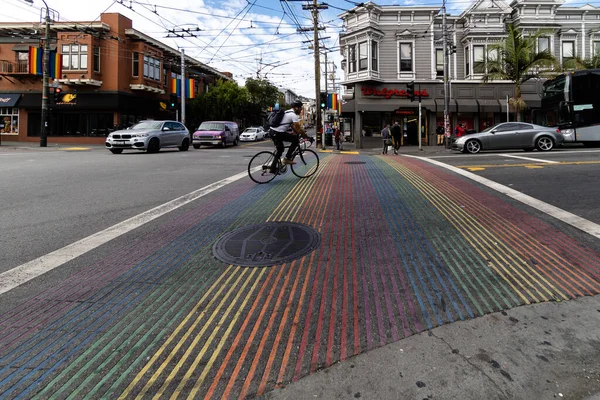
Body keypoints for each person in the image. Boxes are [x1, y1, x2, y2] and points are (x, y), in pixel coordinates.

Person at [269, 100, 312, 173]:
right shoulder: (293, 115)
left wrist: (297, 133)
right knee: (295, 140)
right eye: (300, 108)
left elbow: (293, 127)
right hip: (278, 133)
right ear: (296, 108)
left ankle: (272, 168)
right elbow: (298, 128)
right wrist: (306, 137)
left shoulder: (287, 112)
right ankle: (287, 158)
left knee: (280, 150)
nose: (301, 110)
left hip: (272, 132)